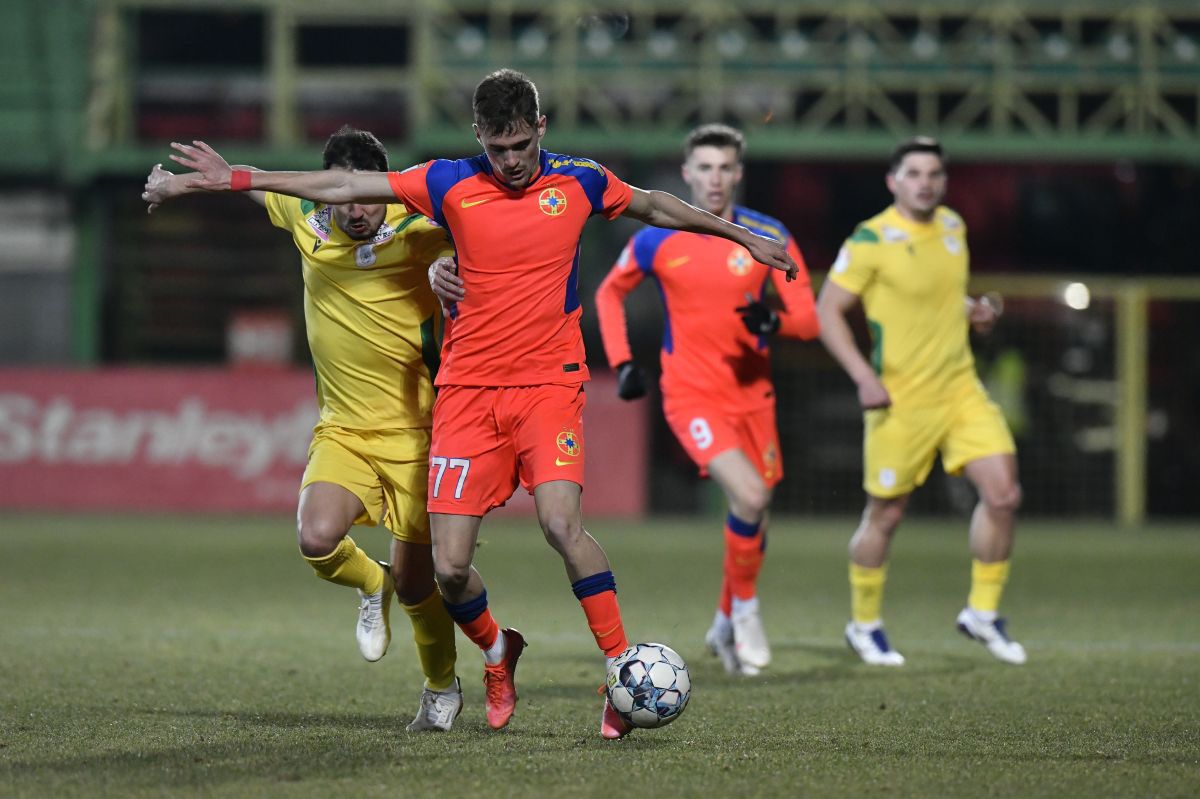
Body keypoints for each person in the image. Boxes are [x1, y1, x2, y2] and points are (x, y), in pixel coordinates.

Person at [154, 68, 799, 739]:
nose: (511, 161)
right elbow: (343, 186)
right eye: (497, 148)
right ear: (478, 137)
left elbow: (656, 205)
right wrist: (235, 178)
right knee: (449, 567)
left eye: (520, 145)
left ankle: (619, 673)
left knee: (561, 524)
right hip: (466, 392)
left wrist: (743, 237)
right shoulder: (448, 181)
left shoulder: (579, 180)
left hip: (549, 383)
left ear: (540, 128)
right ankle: (497, 650)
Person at [141, 126, 465, 729]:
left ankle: (440, 687)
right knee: (316, 539)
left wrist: (448, 266)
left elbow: (467, 244)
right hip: (343, 430)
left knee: (420, 584)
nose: (356, 210)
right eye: (342, 198)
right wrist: (177, 185)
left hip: (421, 434)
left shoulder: (418, 230)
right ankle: (371, 584)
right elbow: (255, 188)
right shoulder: (307, 219)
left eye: (366, 197)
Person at [594, 124, 820, 676]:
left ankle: (722, 624)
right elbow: (609, 292)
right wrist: (623, 361)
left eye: (724, 168)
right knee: (750, 494)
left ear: (738, 173)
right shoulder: (657, 238)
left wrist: (774, 322)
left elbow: (808, 321)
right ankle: (745, 611)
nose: (715, 179)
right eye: (705, 168)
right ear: (687, 174)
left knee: (752, 509)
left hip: (754, 395)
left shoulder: (768, 235)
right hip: (691, 395)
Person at [815, 136, 1027, 667]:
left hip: (960, 390)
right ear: (893, 181)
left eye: (934, 174)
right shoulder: (870, 239)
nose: (925, 183)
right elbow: (827, 310)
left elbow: (939, 295)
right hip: (899, 400)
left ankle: (982, 613)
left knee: (1003, 495)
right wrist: (863, 376)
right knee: (886, 515)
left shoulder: (953, 226)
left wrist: (973, 310)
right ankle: (864, 624)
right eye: (913, 173)